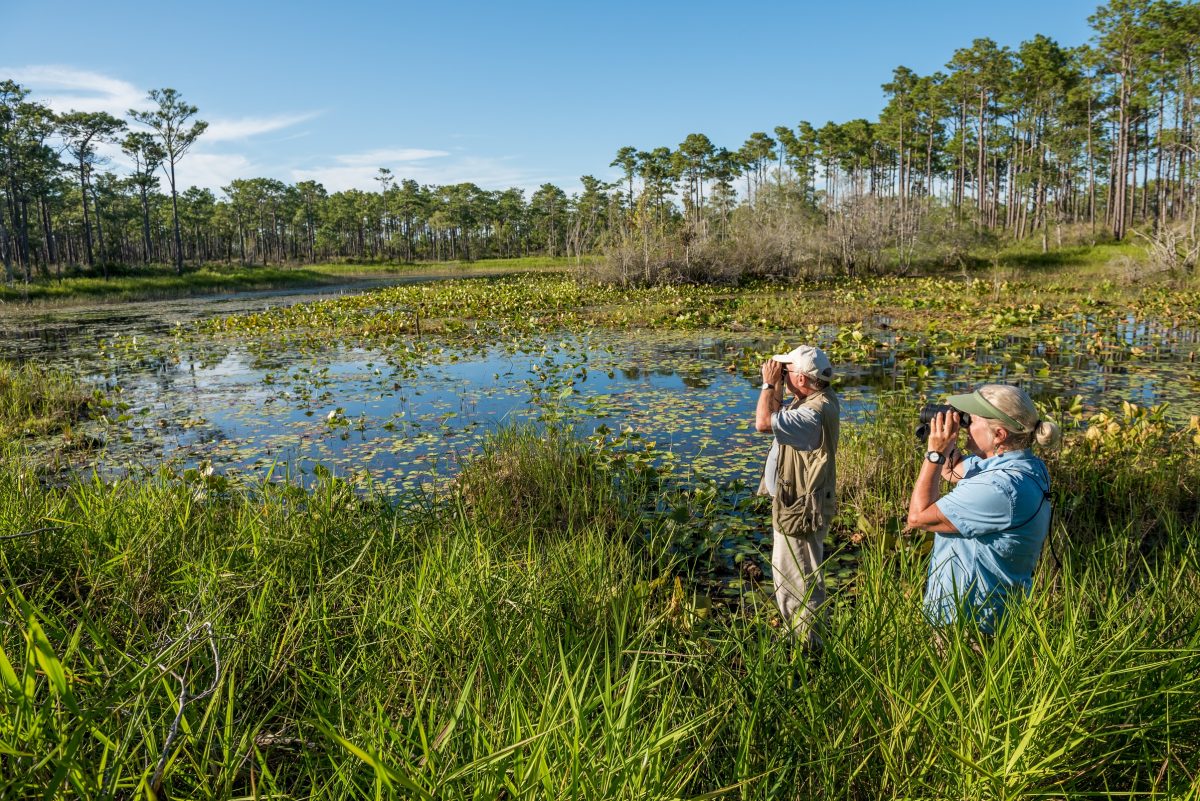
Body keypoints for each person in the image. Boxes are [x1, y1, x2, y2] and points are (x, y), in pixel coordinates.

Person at [906, 383, 1063, 636]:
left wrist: (934, 454)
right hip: (988, 610)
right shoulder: (1023, 465)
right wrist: (949, 442)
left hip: (970, 621)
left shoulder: (1000, 488)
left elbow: (918, 517)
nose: (965, 424)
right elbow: (951, 470)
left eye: (971, 420)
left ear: (999, 435)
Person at [755, 345, 838, 647]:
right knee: (790, 580)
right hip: (796, 504)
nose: (779, 374)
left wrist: (767, 385)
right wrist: (777, 384)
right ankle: (800, 639)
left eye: (785, 371)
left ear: (802, 379)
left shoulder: (810, 415)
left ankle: (809, 650)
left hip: (802, 508)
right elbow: (776, 415)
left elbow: (764, 422)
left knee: (799, 583)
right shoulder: (813, 399)